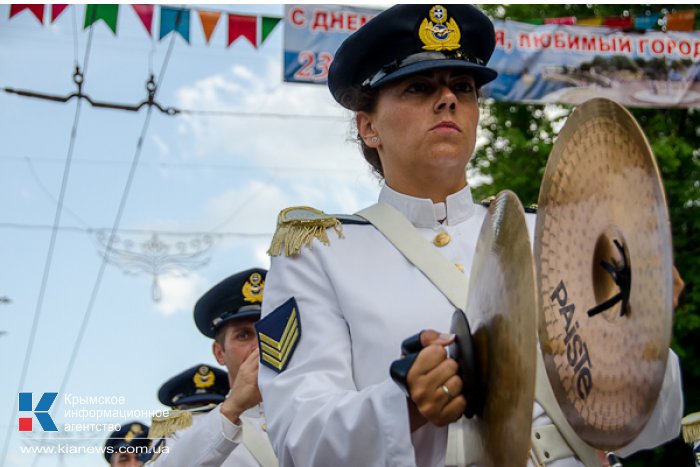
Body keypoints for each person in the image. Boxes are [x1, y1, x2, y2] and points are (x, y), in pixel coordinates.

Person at [256, 4, 683, 467]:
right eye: (419, 88)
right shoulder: (319, 252)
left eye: (463, 87)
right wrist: (403, 404)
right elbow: (299, 438)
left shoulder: (556, 234)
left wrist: (640, 327)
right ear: (368, 126)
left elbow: (651, 425)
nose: (448, 100)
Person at [149, 268, 277, 467]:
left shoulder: (311, 406)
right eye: (243, 335)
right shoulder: (186, 430)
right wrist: (232, 409)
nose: (258, 345)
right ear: (219, 353)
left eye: (267, 331)